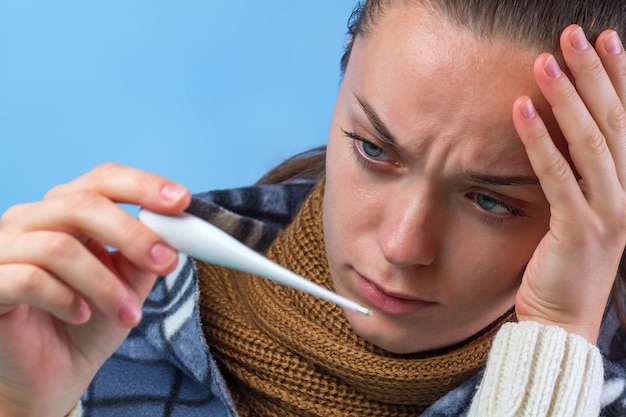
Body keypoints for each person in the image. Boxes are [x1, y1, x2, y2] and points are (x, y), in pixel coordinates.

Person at [1, 0, 626, 415]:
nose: (403, 247)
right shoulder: (99, 328)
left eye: (491, 200)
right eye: (374, 150)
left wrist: (556, 340)